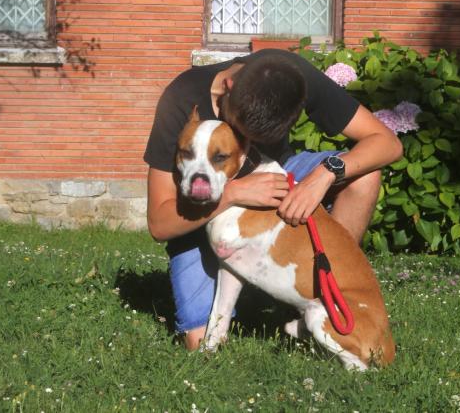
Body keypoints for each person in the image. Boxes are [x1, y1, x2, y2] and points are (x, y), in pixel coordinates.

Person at [144, 49, 403, 350]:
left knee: (362, 175)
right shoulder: (181, 97)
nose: (247, 147)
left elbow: (387, 143)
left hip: (279, 177)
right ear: (229, 88)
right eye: (240, 133)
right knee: (198, 339)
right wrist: (234, 192)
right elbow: (158, 224)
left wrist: (324, 176)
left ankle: (319, 295)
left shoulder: (291, 76)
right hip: (201, 206)